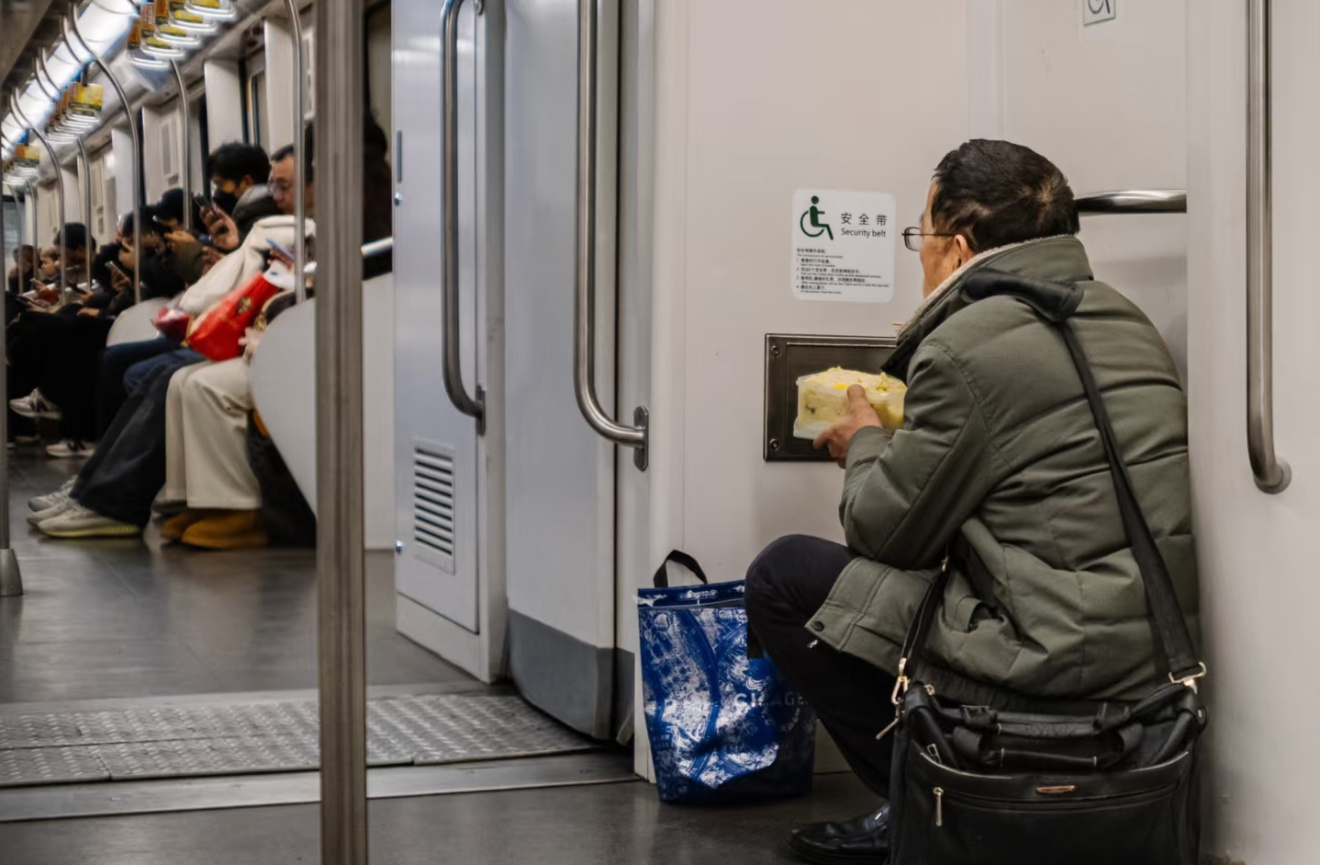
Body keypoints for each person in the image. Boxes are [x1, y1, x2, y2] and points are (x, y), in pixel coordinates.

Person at [743, 140, 1199, 864]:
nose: (917, 255)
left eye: (918, 236)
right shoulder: (1128, 321)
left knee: (783, 575)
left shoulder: (964, 346)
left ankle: (919, 796)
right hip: (1143, 665)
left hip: (1038, 666)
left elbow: (884, 532)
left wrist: (863, 442)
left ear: (957, 249)